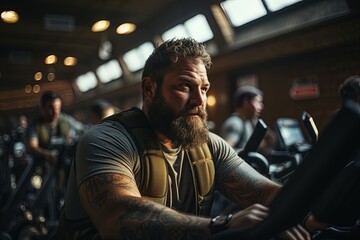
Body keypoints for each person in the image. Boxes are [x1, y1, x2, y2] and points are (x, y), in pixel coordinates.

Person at [55, 38, 310, 239]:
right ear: (149, 89)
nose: (200, 100)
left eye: (204, 88)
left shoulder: (209, 146)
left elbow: (265, 192)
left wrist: (313, 211)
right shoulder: (107, 139)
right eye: (185, 86)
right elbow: (119, 216)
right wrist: (223, 225)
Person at [27, 90, 86, 218]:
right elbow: (32, 145)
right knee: (45, 203)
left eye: (58, 108)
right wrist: (47, 154)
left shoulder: (65, 120)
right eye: (50, 108)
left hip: (65, 168)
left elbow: (83, 129)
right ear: (42, 108)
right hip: (42, 171)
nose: (55, 112)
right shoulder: (36, 124)